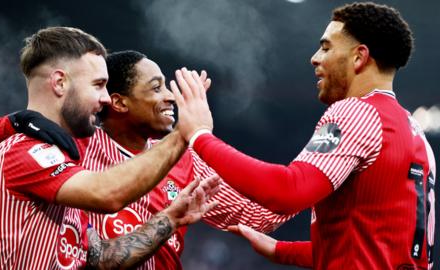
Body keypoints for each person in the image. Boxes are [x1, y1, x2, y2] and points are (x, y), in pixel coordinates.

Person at [0, 50, 293, 269]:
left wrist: (327, 173)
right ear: (118, 102)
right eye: (156, 87)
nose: (169, 97)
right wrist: (15, 121)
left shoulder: (185, 158)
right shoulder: (72, 143)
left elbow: (261, 216)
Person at [170, 2, 436, 269]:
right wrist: (280, 249)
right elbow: (375, 249)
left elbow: (288, 190)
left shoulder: (358, 112)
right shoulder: (415, 134)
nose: (315, 58)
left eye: (326, 47)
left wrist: (200, 136)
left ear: (359, 57)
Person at [0, 26, 220, 269]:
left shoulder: (66, 167)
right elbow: (107, 194)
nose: (105, 99)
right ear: (60, 83)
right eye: (98, 85)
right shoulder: (24, 151)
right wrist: (181, 133)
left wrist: (169, 219)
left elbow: (102, 259)